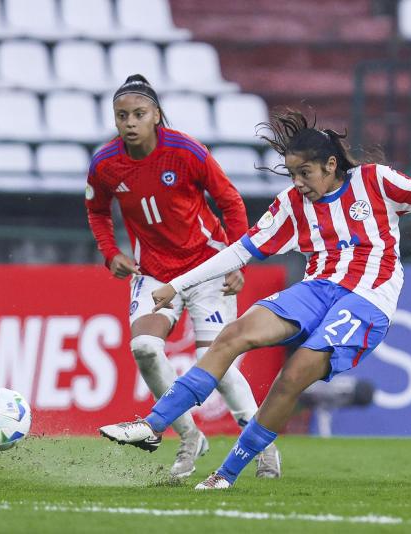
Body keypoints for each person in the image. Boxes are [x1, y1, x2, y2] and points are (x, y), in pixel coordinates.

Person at [99, 110, 411, 490]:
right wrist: (177, 285)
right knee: (234, 334)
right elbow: (240, 250)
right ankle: (155, 424)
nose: (297, 182)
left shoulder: (375, 183)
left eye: (305, 172)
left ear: (331, 166)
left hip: (367, 297)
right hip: (316, 288)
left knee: (294, 373)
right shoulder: (291, 206)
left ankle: (227, 473)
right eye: (292, 173)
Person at [85, 74, 280, 479]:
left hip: (206, 268)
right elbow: (97, 211)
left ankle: (262, 444)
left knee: (218, 366)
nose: (130, 122)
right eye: (122, 116)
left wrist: (237, 262)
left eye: (139, 114)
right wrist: (110, 253)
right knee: (144, 347)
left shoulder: (186, 151)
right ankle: (189, 437)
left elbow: (230, 202)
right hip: (153, 272)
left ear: (156, 115)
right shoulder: (105, 164)